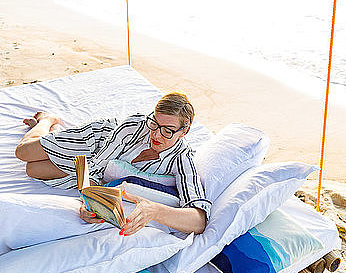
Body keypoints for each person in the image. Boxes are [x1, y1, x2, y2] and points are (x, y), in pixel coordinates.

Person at [15, 92, 211, 235]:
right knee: (23, 152)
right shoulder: (134, 126)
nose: (157, 134)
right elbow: (96, 168)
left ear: (184, 132)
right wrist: (87, 200)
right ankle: (46, 121)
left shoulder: (182, 158)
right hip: (98, 140)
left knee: (33, 169)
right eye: (154, 124)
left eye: (168, 130)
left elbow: (199, 220)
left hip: (91, 162)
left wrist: (155, 210)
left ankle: (54, 135)